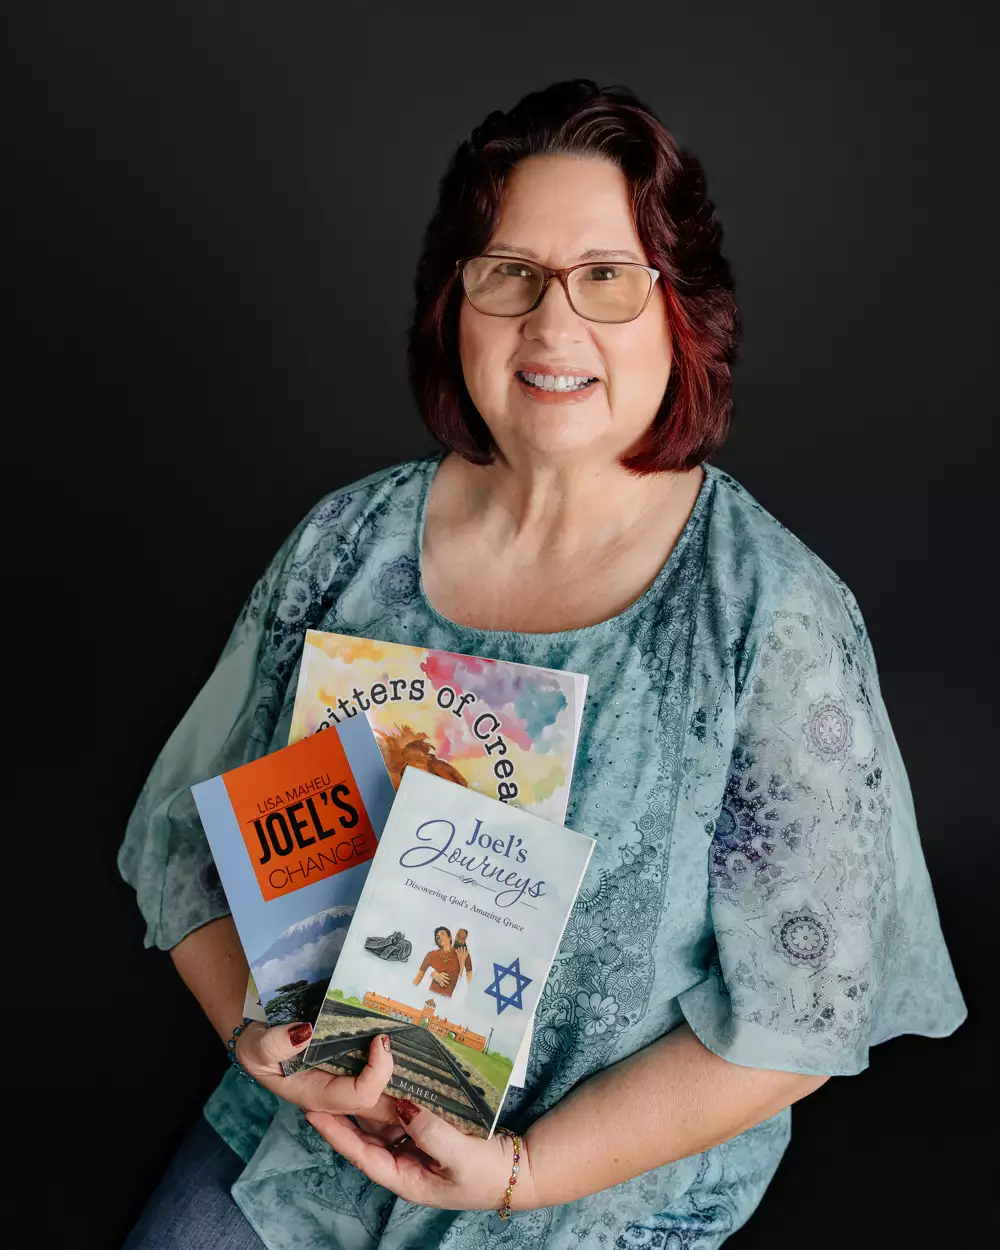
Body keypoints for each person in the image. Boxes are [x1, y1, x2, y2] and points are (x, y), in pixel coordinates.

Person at [119, 79, 967, 1250]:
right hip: (304, 1140)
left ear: (685, 312)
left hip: (591, 1192)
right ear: (453, 305)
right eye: (508, 272)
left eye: (607, 278)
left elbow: (798, 1016)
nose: (552, 328)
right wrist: (259, 1041)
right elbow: (191, 848)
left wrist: (522, 1169)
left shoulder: (767, 612)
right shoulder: (345, 545)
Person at [413, 925, 464, 997]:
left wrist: (462, 962)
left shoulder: (461, 955)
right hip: (428, 997)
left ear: (449, 937)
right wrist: (432, 973)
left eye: (442, 934)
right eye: (437, 937)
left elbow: (465, 979)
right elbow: (419, 977)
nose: (440, 937)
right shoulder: (431, 955)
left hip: (448, 1001)